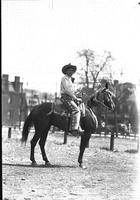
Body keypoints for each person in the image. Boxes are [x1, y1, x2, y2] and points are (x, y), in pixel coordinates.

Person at [60, 63, 84, 136]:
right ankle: (73, 129)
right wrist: (75, 98)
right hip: (66, 98)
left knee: (81, 109)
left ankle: (78, 127)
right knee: (75, 110)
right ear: (66, 71)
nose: (71, 72)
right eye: (69, 70)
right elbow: (67, 90)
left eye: (72, 70)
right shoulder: (64, 78)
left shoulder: (70, 80)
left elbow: (72, 91)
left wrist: (79, 93)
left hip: (71, 98)